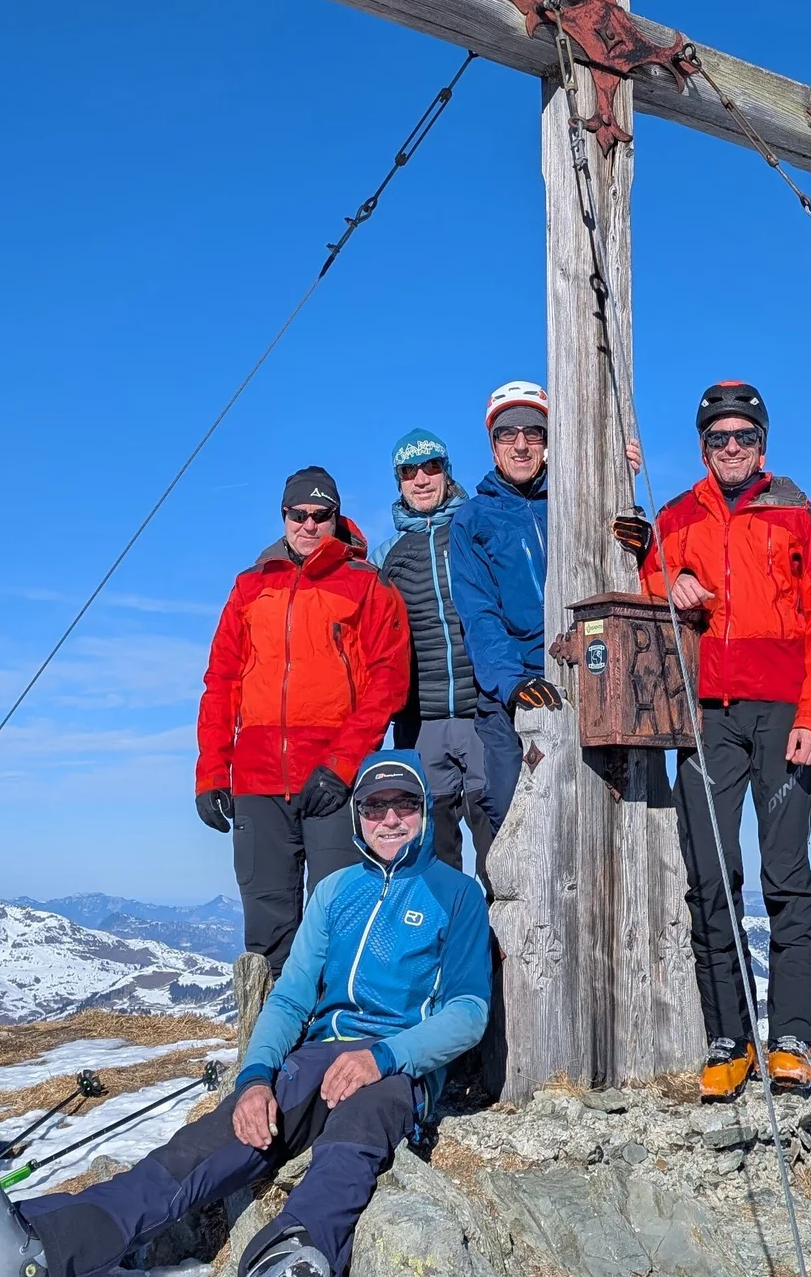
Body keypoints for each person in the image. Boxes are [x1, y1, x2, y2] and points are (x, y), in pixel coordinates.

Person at [0, 751, 490, 1277]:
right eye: (376, 805)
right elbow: (290, 997)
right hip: (317, 1056)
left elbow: (468, 1011)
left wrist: (384, 1057)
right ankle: (38, 1251)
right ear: (357, 815)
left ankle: (289, 1260)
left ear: (424, 813)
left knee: (355, 1137)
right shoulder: (336, 892)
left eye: (405, 805)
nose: (390, 818)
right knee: (204, 1146)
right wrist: (256, 1079)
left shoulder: (457, 895)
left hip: (401, 1069)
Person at [618, 380, 811, 1102]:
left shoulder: (797, 515)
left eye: (744, 435)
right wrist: (672, 580)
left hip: (784, 716)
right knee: (711, 878)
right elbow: (648, 577)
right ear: (702, 446)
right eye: (718, 437)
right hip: (705, 714)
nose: (732, 448)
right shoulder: (677, 514)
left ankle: (793, 1037)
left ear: (763, 442)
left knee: (785, 875)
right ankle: (730, 1035)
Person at [192, 465, 411, 967]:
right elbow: (221, 681)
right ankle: (270, 1042)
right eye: (298, 514)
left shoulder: (366, 584)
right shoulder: (250, 586)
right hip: (257, 779)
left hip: (332, 780)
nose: (309, 525)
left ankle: (336, 1042)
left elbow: (387, 681)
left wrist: (343, 764)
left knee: (339, 922)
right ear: (283, 515)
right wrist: (211, 772)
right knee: (267, 927)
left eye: (321, 515)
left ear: (336, 517)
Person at [377, 427, 494, 882]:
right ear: (399, 481)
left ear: (447, 472)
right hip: (419, 718)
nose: (421, 479)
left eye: (431, 467)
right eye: (409, 471)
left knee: (497, 835)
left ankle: (503, 945)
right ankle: (447, 940)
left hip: (483, 710)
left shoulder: (473, 528)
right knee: (434, 844)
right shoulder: (387, 556)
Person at [448, 380, 559, 829]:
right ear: (492, 447)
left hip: (585, 677)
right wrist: (511, 682)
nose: (520, 445)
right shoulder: (472, 519)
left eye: (533, 432)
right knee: (509, 808)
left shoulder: (579, 500)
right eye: (506, 434)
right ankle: (506, 901)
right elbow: (479, 612)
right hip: (510, 689)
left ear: (549, 443)